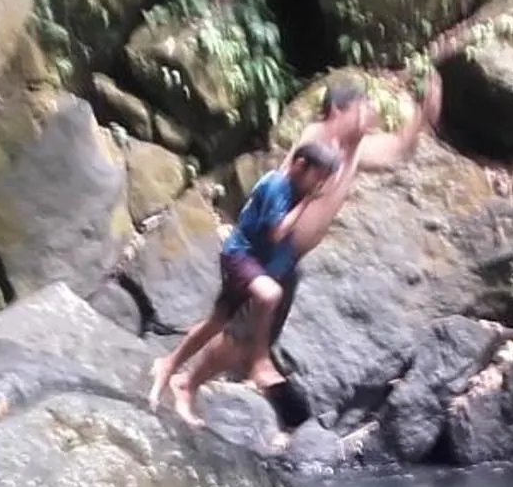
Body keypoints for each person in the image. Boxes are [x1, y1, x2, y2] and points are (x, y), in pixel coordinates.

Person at [151, 46, 453, 424]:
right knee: (234, 332)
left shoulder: (351, 148)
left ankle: (184, 375)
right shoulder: (316, 141)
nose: (371, 114)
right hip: (266, 254)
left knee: (236, 336)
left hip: (288, 262)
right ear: (339, 111)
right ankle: (184, 380)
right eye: (363, 108)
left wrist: (422, 116)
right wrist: (368, 126)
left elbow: (396, 152)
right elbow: (308, 177)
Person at [159, 137, 345, 427]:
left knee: (216, 323)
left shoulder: (293, 187)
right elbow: (276, 233)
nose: (317, 186)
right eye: (317, 177)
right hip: (242, 259)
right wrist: (307, 202)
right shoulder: (278, 187)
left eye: (322, 181)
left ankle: (172, 369)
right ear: (299, 165)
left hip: (258, 265)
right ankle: (258, 357)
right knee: (268, 297)